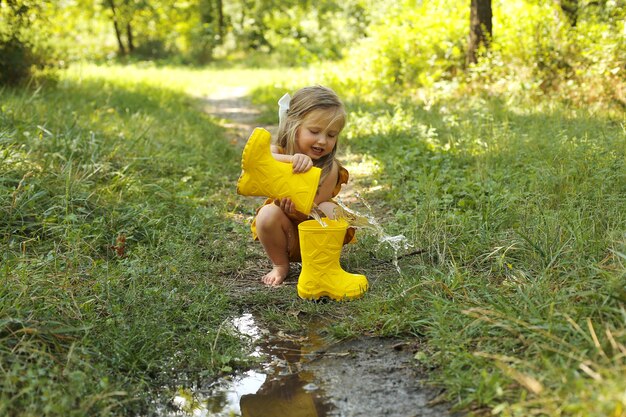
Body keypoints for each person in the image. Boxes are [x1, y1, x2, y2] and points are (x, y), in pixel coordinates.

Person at [250, 85, 355, 286]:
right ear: (293, 125)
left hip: (314, 232)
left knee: (330, 209)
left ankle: (323, 264)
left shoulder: (329, 168)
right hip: (285, 233)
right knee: (267, 214)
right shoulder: (278, 151)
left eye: (331, 135)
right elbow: (259, 161)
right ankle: (280, 265)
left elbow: (312, 208)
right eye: (314, 131)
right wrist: (291, 159)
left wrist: (297, 209)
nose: (322, 141)